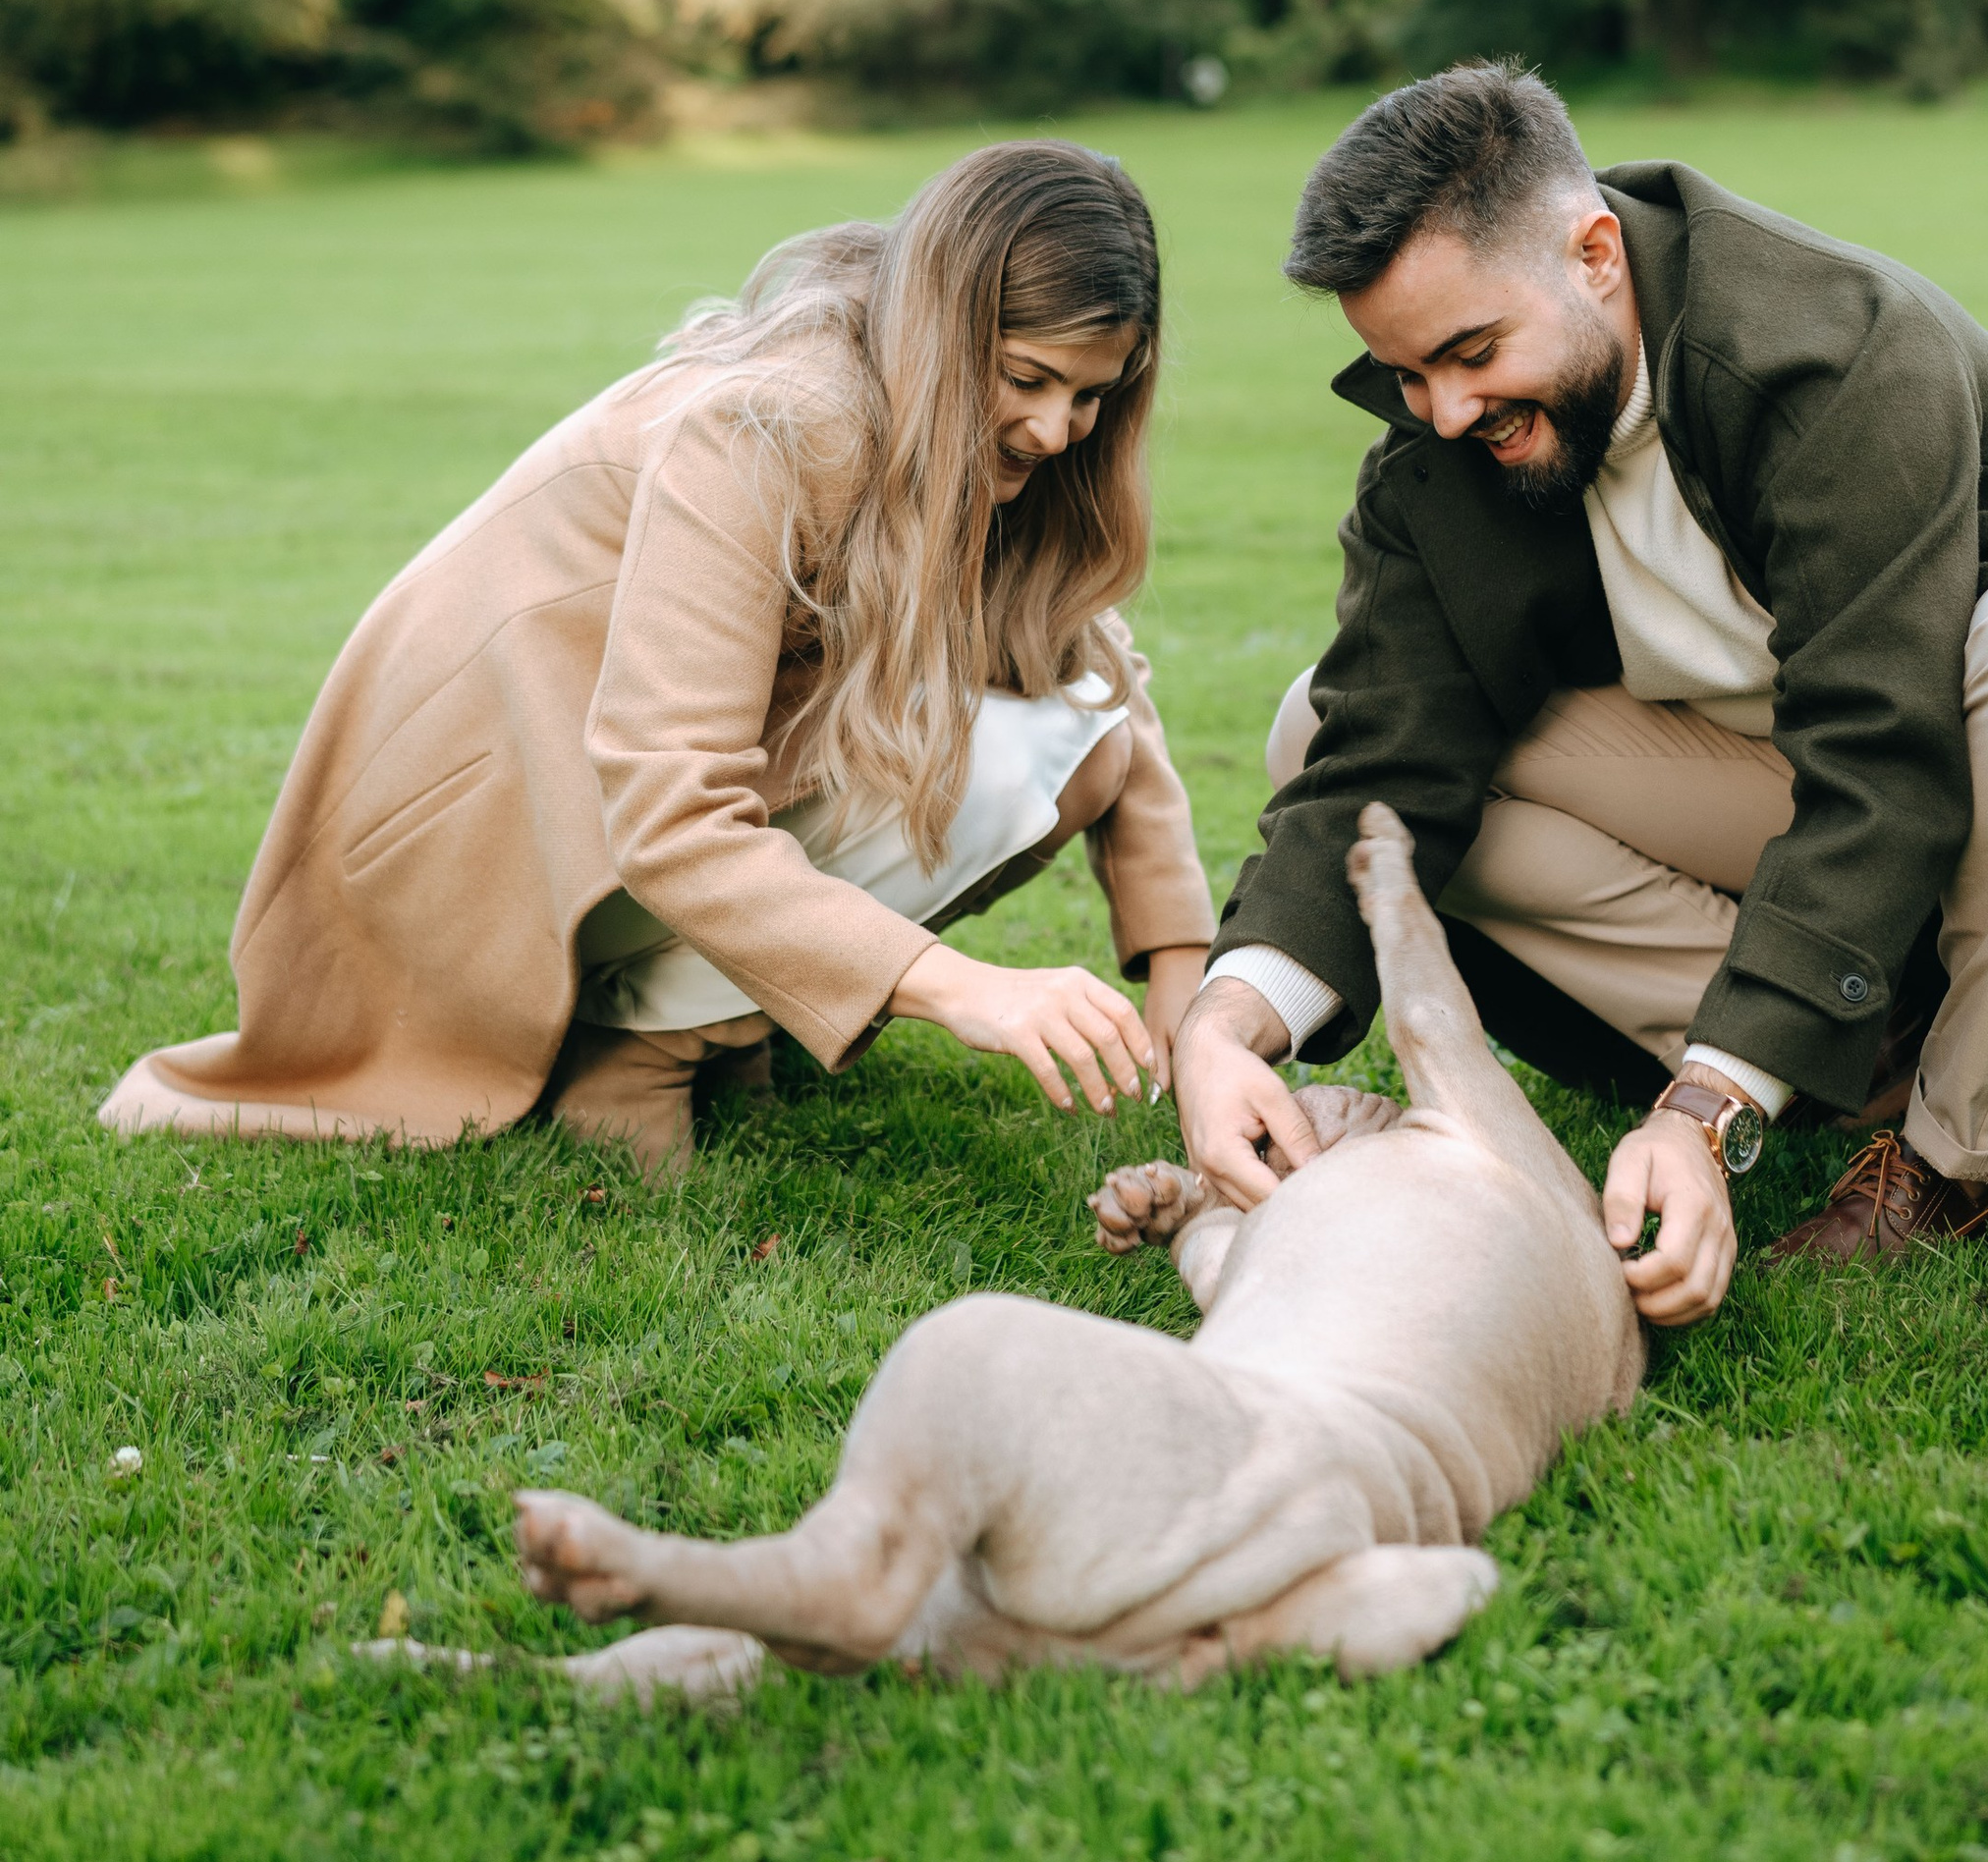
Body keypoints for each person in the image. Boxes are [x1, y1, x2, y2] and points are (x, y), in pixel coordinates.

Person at [1172, 64, 1988, 1326]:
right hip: (1776, 792)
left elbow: (1884, 746)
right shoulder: (1446, 444)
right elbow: (1377, 753)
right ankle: (1853, 1053)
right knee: (1310, 726)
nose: (1445, 410)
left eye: (1471, 352)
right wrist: (1225, 1024)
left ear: (1596, 252)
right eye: (1405, 373)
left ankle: (1953, 1156)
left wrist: (1701, 1111)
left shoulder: (1827, 346)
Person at [100, 143, 1217, 1177]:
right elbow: (673, 816)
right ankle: (638, 1050)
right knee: (986, 768)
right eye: (1026, 378)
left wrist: (1184, 977)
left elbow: (1093, 677)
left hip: (599, 807)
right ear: (943, 320)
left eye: (1091, 394)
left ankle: (714, 1016)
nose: (1059, 430)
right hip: (466, 850)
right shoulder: (774, 430)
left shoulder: (959, 426)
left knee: (1066, 747)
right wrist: (960, 989)